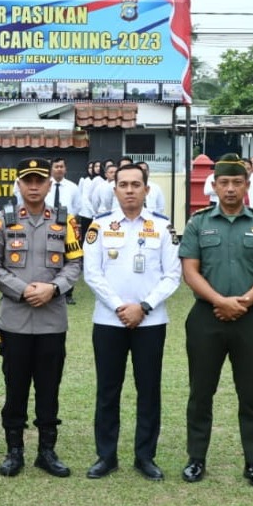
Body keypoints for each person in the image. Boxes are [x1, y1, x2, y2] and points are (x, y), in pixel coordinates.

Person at [178, 153, 253, 488]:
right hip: (205, 318)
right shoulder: (198, 222)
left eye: (236, 182)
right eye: (223, 182)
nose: (229, 189)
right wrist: (220, 301)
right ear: (213, 185)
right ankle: (196, 459)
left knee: (251, 392)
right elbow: (190, 271)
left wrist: (244, 302)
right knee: (201, 392)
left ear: (247, 185)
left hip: (250, 319)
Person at [0, 158, 83, 479]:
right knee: (15, 388)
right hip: (15, 320)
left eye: (39, 180)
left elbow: (75, 264)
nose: (34, 186)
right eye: (28, 180)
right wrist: (23, 289)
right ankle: (15, 451)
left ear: (49, 183)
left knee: (49, 387)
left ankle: (46, 450)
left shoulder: (63, 221)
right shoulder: (3, 221)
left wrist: (53, 288)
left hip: (52, 321)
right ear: (19, 184)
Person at [82, 163, 181, 481]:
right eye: (122, 184)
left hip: (150, 323)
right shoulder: (99, 226)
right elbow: (92, 273)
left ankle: (145, 456)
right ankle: (106, 456)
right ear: (114, 190)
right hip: (109, 321)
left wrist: (145, 306)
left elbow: (172, 275)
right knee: (108, 391)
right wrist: (120, 307)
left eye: (135, 184)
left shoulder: (163, 227)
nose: (129, 190)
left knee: (148, 390)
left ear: (146, 190)